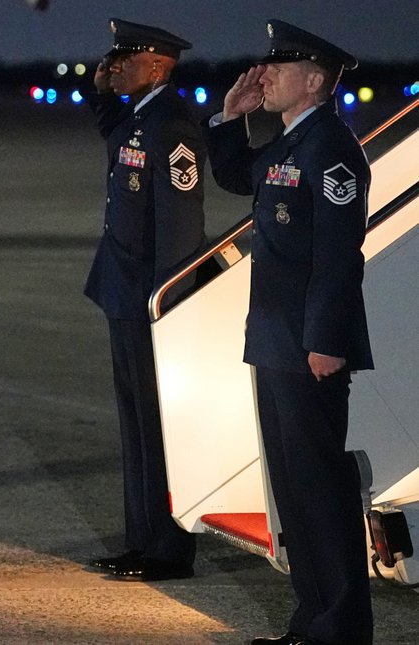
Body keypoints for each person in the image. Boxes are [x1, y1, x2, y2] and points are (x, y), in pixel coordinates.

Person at [207, 20, 373, 645]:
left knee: (321, 491)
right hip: (277, 340)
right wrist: (231, 118)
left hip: (309, 347)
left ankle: (341, 628)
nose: (266, 74)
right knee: (294, 491)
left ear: (314, 81)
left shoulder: (331, 147)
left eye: (280, 68)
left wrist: (326, 340)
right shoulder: (291, 140)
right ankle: (312, 622)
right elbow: (237, 178)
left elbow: (338, 254)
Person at [82, 18, 205, 582]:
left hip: (149, 300)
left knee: (156, 426)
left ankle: (169, 550)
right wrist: (101, 91)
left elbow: (180, 227)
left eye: (124, 59)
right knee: (134, 423)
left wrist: (167, 302)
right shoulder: (139, 116)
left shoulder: (171, 125)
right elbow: (114, 135)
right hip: (123, 291)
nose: (114, 66)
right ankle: (142, 541)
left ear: (156, 66)